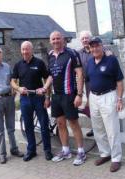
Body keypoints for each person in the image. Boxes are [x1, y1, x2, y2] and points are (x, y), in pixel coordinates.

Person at [41, 31, 86, 166]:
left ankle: (81, 152)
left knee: (73, 123)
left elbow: (80, 73)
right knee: (60, 124)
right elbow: (50, 76)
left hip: (69, 94)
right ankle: (66, 151)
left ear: (63, 39)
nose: (56, 41)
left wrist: (79, 94)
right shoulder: (50, 55)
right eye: (53, 39)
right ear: (50, 41)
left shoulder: (71, 53)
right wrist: (46, 94)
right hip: (56, 95)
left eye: (58, 38)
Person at [86, 37, 124, 172]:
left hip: (108, 96)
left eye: (97, 46)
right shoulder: (90, 62)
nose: (95, 49)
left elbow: (119, 81)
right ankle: (105, 153)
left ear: (102, 47)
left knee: (112, 129)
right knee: (98, 129)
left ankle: (116, 158)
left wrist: (119, 99)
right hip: (94, 97)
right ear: (89, 49)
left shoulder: (111, 60)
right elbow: (88, 80)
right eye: (92, 47)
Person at [11, 41, 53, 162]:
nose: (25, 51)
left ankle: (47, 150)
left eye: (27, 49)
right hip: (25, 99)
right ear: (21, 50)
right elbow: (12, 81)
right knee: (28, 126)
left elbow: (48, 78)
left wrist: (46, 96)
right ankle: (31, 150)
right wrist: (18, 88)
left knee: (44, 125)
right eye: (23, 49)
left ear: (31, 50)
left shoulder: (39, 63)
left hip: (38, 98)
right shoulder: (18, 65)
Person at [78, 30, 93, 137]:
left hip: (99, 82)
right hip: (87, 84)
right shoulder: (79, 53)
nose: (85, 40)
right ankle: (95, 127)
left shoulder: (96, 49)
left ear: (90, 39)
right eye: (83, 38)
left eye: (86, 38)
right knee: (91, 106)